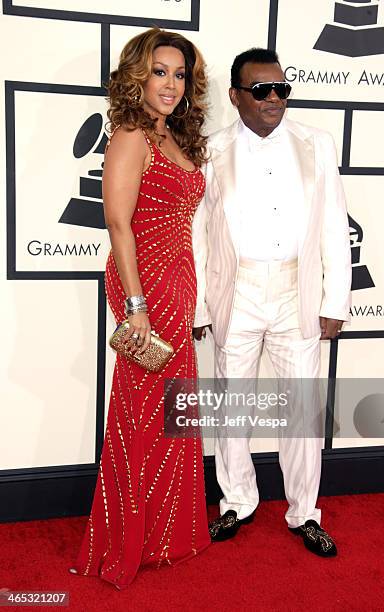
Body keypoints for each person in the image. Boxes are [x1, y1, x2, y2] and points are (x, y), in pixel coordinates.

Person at [192, 48, 351, 557]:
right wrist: (200, 306)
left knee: (301, 411)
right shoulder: (211, 150)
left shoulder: (316, 144)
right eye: (261, 90)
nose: (274, 99)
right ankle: (235, 500)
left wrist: (335, 300)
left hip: (294, 292)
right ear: (236, 95)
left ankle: (305, 511)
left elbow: (333, 224)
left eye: (282, 89)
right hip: (234, 294)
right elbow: (199, 235)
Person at [70, 28, 210, 589]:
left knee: (170, 414)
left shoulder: (171, 136)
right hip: (146, 287)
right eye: (160, 72)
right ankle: (127, 540)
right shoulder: (131, 134)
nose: (171, 85)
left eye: (179, 74)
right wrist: (136, 307)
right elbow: (117, 222)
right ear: (137, 75)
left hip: (177, 285)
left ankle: (166, 533)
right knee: (143, 415)